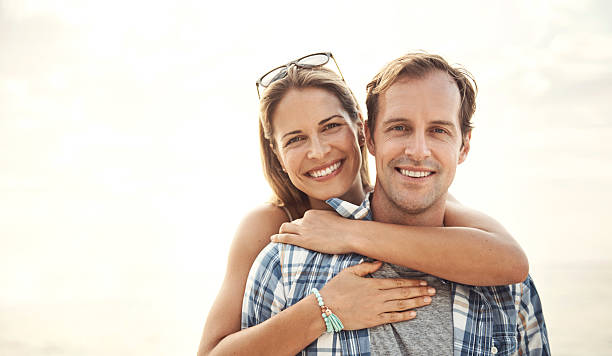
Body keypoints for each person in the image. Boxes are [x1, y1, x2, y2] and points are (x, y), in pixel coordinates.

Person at [198, 53, 529, 356]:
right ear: (278, 155)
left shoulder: (418, 193)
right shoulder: (274, 232)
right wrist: (323, 310)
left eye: (330, 126)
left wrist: (349, 231)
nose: (318, 151)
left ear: (360, 129)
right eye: (296, 139)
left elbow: (509, 261)